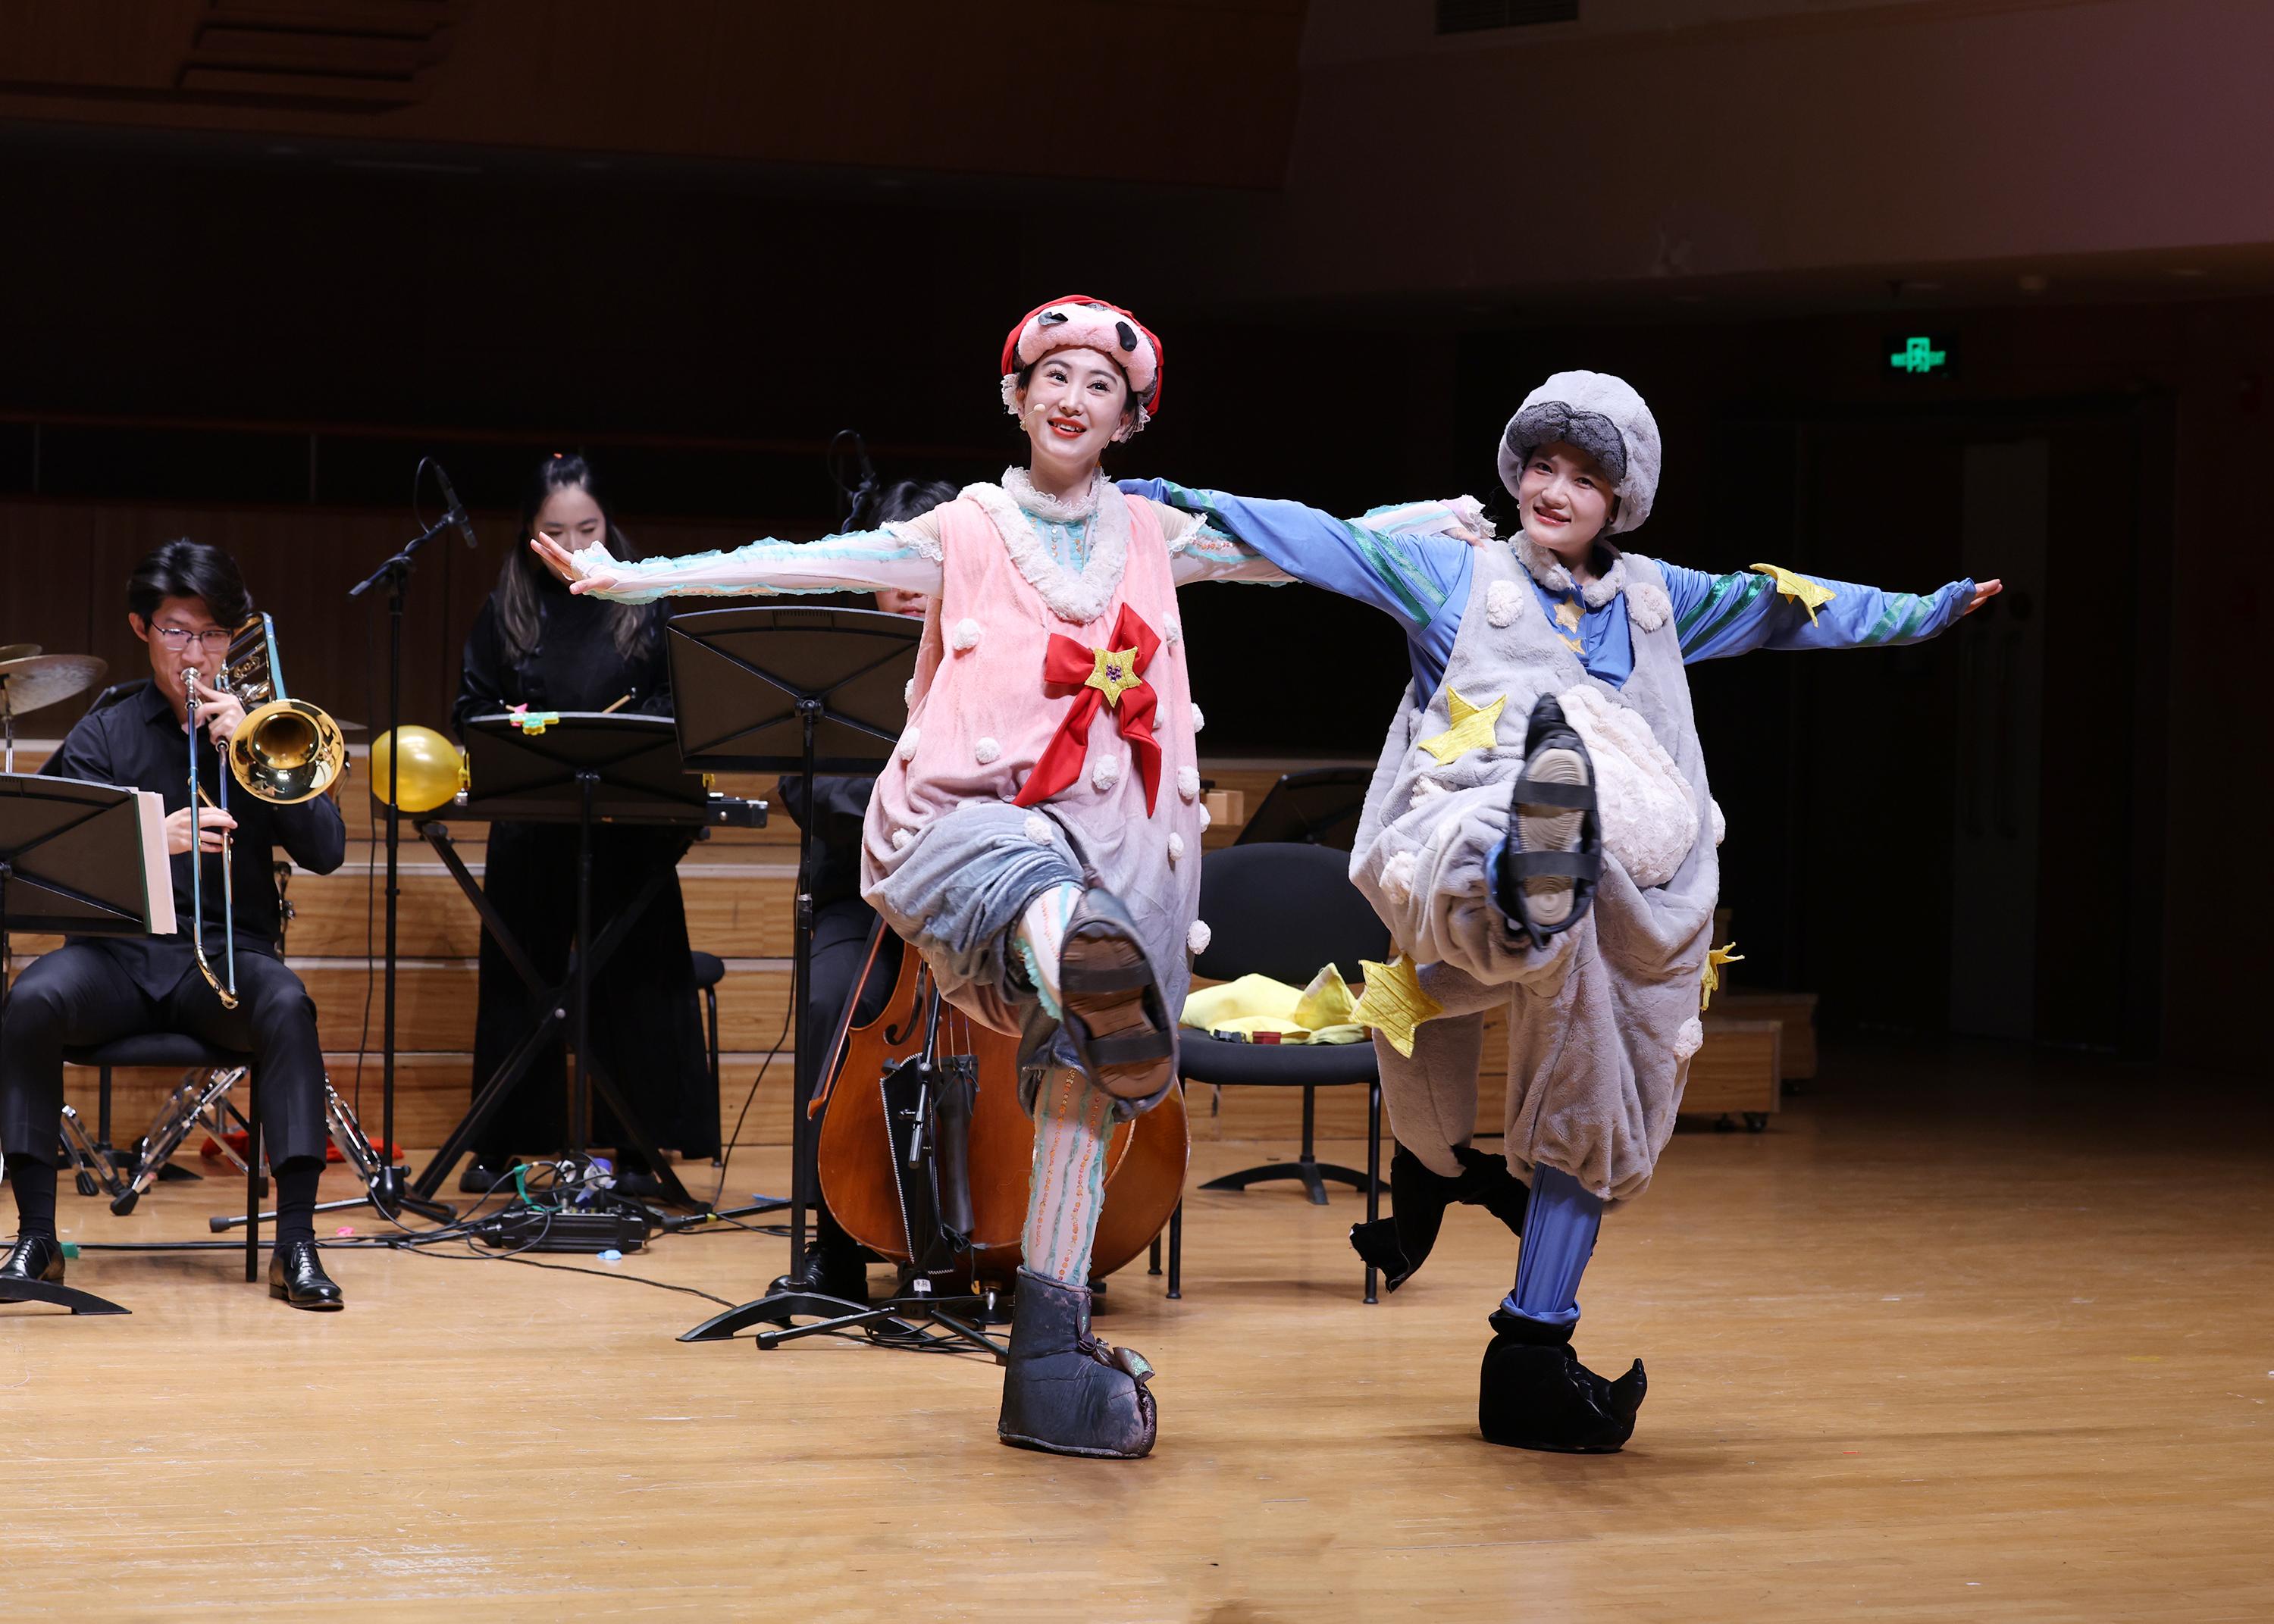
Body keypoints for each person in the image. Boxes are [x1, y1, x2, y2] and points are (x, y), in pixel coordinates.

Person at [1117, 370, 2001, 1453]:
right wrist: (1167, 496)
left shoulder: (1657, 600)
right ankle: (1520, 883)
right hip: (1462, 844)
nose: (1555, 490)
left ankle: (1534, 1349)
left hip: (1616, 899)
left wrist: (1925, 611)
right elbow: (1316, 539)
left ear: (1619, 501)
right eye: (1542, 465)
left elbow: (1787, 607)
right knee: (1491, 840)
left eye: (1584, 477)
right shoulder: (1456, 571)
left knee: (1600, 1091)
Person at [531, 296, 1322, 1460]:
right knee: (1051, 901)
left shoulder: (1158, 534)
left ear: (1129, 417)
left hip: (1126, 847)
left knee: (1081, 1092)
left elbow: (1310, 549)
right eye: (1052, 376)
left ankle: (1047, 1352)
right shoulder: (965, 527)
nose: (1072, 397)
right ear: (1017, 396)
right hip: (977, 826)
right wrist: (628, 578)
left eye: (1099, 384)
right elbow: (796, 560)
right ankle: (1081, 962)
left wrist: (1438, 534)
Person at [2, 541, 349, 1309]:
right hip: (116, 960)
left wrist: (252, 745)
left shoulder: (264, 728)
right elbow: (40, 857)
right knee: (31, 999)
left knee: (286, 1003)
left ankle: (296, 1245)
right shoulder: (106, 730)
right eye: (177, 632)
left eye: (214, 633)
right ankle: (37, 1237)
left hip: (225, 959)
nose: (196, 654)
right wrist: (147, 838)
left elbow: (327, 852)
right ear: (142, 628)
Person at [453, 453, 716, 1197]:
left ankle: (638, 1152)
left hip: (629, 825)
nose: (572, 545)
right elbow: (471, 707)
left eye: (588, 529)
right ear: (528, 532)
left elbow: (678, 701)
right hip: (532, 825)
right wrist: (509, 723)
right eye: (556, 532)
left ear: (610, 525)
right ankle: (508, 1146)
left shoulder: (649, 599)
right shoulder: (504, 607)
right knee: (521, 982)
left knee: (635, 981)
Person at [770, 474, 956, 1303]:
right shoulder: (838, 663)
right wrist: (904, 816)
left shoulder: (995, 654)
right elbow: (805, 784)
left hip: (971, 905)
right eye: (896, 568)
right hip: (861, 896)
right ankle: (836, 1243)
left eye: (928, 567)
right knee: (832, 1000)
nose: (910, 589)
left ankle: (1009, 1236)